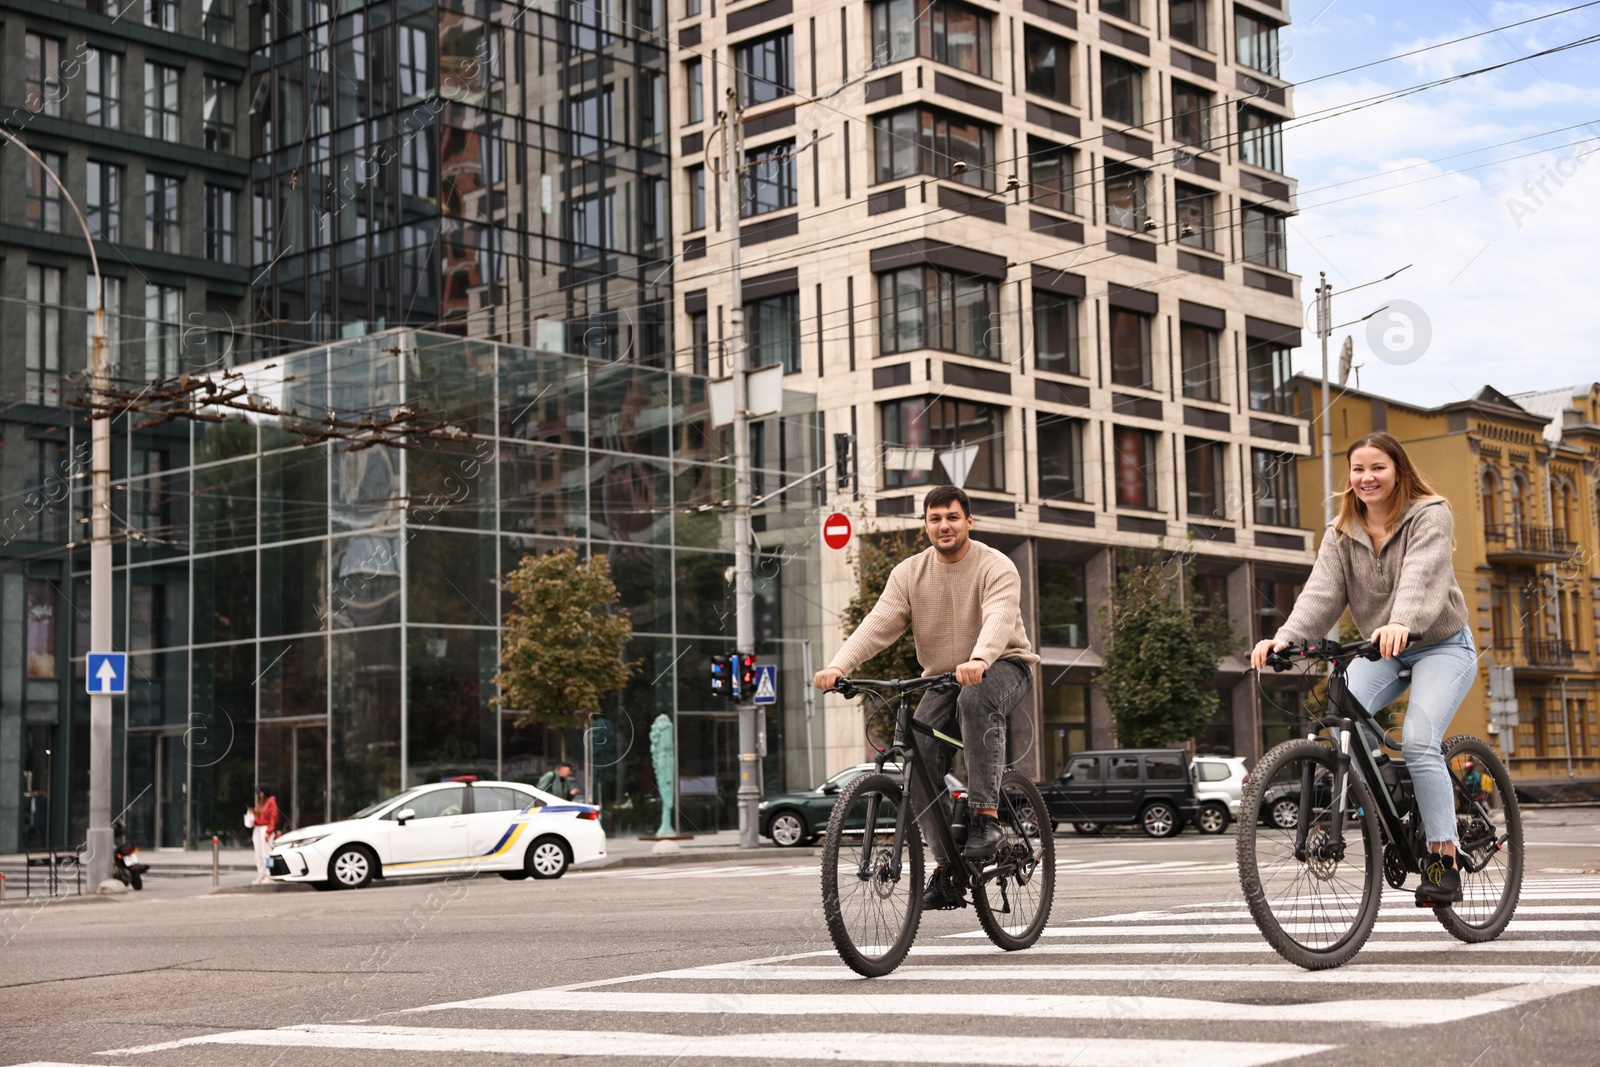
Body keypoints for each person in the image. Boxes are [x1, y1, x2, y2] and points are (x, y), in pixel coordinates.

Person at [1250, 431, 1476, 908]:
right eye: (1358, 469)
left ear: (1398, 471)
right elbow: (1321, 594)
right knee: (1339, 723)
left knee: (1418, 740)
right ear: (1349, 477)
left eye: (1377, 468)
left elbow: (1421, 576)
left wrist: (1401, 622)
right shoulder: (1341, 531)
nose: (1367, 477)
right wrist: (1284, 640)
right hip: (1383, 650)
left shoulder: (1430, 514)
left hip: (1441, 645)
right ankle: (1395, 807)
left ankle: (1444, 854)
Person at [813, 484, 1038, 911]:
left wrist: (979, 657)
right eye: (935, 519)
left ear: (969, 521)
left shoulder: (997, 566)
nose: (944, 526)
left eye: (952, 517)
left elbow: (998, 618)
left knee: (975, 701)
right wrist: (840, 665)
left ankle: (986, 816)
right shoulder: (909, 574)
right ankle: (948, 868)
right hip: (940, 677)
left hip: (1002, 665)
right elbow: (879, 622)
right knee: (913, 750)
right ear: (925, 526)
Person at [251, 785, 279, 885]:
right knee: (258, 853)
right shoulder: (260, 803)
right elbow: (257, 816)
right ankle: (261, 873)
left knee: (266, 853)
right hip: (257, 828)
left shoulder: (271, 801)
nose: (260, 794)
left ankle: (269, 873)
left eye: (261, 792)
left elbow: (273, 816)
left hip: (266, 829)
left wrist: (269, 830)